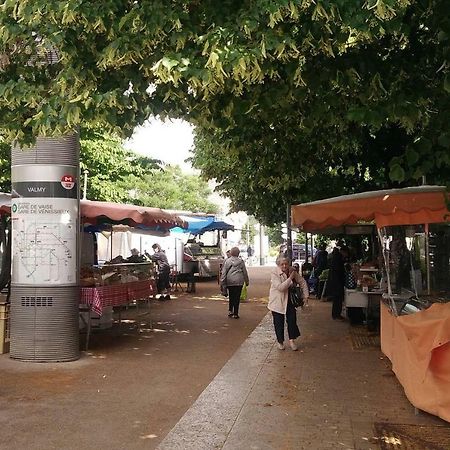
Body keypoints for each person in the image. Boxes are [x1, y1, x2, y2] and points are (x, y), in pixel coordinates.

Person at [268, 256, 309, 351]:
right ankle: (280, 341)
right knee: (278, 322)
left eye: (286, 263)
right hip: (277, 301)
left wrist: (306, 295)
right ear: (278, 265)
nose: (284, 266)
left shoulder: (292, 271)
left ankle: (292, 340)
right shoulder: (275, 272)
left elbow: (302, 282)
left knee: (292, 320)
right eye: (282, 264)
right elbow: (280, 288)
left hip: (289, 300)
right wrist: (290, 278)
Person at [220, 247, 249, 319]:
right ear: (238, 253)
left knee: (231, 296)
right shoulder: (241, 261)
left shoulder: (227, 261)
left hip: (230, 280)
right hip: (239, 281)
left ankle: (230, 311)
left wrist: (222, 282)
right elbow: (245, 272)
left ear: (231, 253)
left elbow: (224, 273)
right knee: (237, 297)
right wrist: (247, 281)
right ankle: (236, 313)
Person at [326, 247, 346, 320]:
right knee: (338, 298)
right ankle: (337, 314)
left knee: (336, 299)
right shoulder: (338, 259)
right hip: (338, 282)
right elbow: (340, 271)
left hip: (334, 281)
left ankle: (335, 314)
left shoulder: (334, 257)